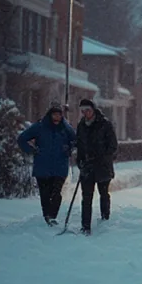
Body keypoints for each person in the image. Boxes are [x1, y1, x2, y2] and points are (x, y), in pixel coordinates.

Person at [17, 103, 76, 227]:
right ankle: (47, 217)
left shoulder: (65, 128)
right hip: (42, 167)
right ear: (50, 115)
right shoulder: (40, 127)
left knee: (56, 193)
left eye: (59, 115)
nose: (57, 117)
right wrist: (31, 150)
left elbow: (76, 140)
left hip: (60, 167)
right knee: (45, 194)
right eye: (54, 115)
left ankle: (52, 216)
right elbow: (22, 138)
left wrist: (69, 149)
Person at [76, 99, 118, 235]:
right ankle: (85, 226)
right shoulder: (81, 126)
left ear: (93, 109)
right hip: (87, 167)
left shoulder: (104, 124)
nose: (85, 113)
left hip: (102, 166)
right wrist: (80, 160)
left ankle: (105, 219)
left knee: (103, 193)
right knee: (86, 197)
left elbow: (113, 146)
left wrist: (101, 156)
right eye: (83, 111)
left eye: (87, 110)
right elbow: (80, 146)